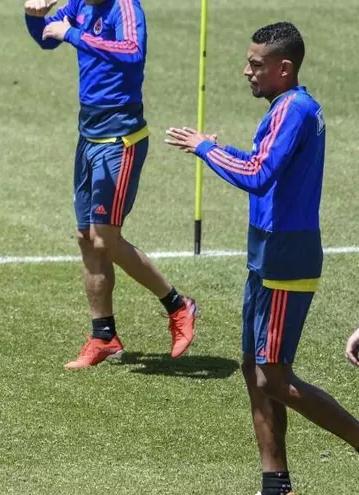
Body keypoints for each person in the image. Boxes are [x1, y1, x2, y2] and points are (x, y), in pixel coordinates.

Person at [164, 22, 359, 495]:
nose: (246, 71)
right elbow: (259, 163)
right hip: (264, 254)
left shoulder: (295, 110)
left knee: (273, 376)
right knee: (255, 370)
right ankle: (276, 483)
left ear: (284, 68)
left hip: (286, 259)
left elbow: (258, 174)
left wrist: (207, 148)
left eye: (256, 64)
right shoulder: (284, 107)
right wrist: (218, 148)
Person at [23, 0, 197, 369]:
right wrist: (33, 15)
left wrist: (72, 33)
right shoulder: (81, 4)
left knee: (105, 237)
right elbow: (46, 38)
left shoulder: (126, 9)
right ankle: (103, 336)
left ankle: (178, 305)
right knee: (87, 237)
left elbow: (132, 53)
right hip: (89, 135)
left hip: (121, 139)